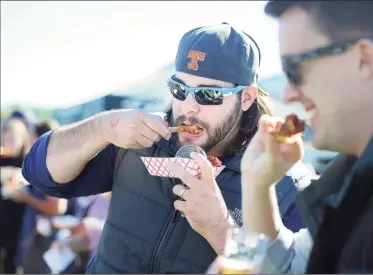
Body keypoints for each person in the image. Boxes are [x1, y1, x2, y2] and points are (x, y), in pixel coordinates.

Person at [22, 23, 312, 274]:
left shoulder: (286, 183)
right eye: (179, 90)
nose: (188, 107)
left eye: (209, 94)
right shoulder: (139, 139)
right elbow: (40, 174)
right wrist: (102, 127)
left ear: (246, 98)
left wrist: (219, 228)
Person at [209, 1, 373, 274]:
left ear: (364, 58)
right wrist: (258, 185)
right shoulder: (357, 177)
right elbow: (295, 265)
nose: (288, 95)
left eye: (295, 69)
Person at [7, 119, 67, 274]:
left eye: (31, 137)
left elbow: (57, 207)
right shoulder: (44, 163)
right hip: (35, 241)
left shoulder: (53, 165)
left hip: (43, 242)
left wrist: (25, 198)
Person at [0, 118, 31, 274]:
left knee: (12, 262)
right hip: (2, 214)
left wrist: (20, 179)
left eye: (12, 138)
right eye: (5, 138)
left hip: (19, 219)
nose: (8, 142)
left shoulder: (27, 161)